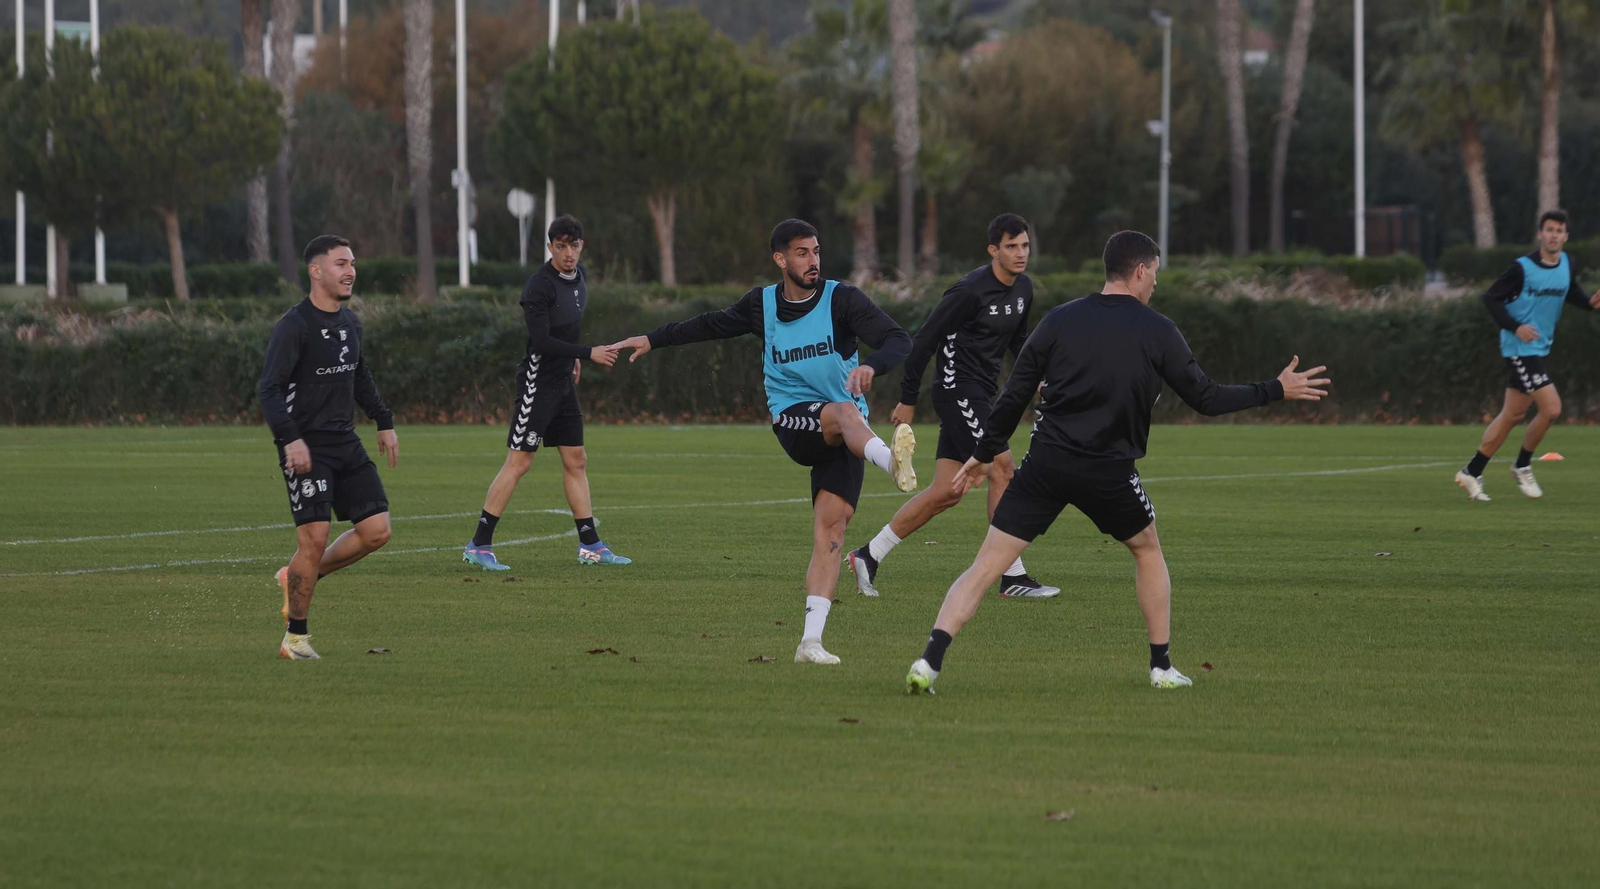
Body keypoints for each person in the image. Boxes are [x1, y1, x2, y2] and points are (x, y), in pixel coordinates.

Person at [903, 230, 1330, 693]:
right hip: (1108, 471)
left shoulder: (1059, 320)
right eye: (1156, 274)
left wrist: (982, 453)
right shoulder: (1159, 330)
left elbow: (1012, 398)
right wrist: (1274, 389)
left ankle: (929, 662)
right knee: (1147, 549)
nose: (1155, 286)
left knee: (986, 565)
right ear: (1141, 271)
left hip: (1045, 465)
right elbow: (1205, 398)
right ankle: (1162, 667)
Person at [610, 219, 915, 665]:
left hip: (849, 436)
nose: (813, 261)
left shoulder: (842, 300)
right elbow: (711, 325)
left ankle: (810, 642)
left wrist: (873, 365)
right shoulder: (762, 305)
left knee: (832, 532)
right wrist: (654, 339)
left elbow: (898, 339)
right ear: (780, 259)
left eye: (816, 252)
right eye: (801, 253)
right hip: (795, 422)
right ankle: (892, 463)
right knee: (845, 412)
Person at [846, 213, 1059, 599]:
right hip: (955, 389)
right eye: (1011, 246)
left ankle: (868, 554)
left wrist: (1040, 377)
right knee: (1002, 467)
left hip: (981, 394)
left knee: (947, 491)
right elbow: (922, 342)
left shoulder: (1023, 289)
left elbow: (1019, 343)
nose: (1020, 253)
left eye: (1025, 245)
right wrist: (908, 400)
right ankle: (1011, 575)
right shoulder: (969, 292)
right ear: (993, 250)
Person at [461, 215, 630, 569]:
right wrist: (588, 353)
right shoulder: (539, 286)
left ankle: (590, 545)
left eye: (575, 246)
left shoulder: (579, 277)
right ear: (550, 247)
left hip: (563, 383)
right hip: (538, 385)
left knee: (576, 459)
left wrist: (574, 359)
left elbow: (565, 330)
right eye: (561, 246)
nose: (569, 254)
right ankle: (479, 544)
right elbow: (540, 340)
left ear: (582, 246)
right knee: (520, 462)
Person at [259, 235, 399, 660]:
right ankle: (295, 639)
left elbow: (360, 376)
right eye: (340, 263)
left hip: (345, 442)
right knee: (314, 540)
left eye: (352, 262)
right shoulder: (294, 325)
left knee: (377, 531)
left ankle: (298, 577)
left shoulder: (350, 323)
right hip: (307, 447)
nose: (350, 270)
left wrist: (384, 421)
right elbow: (269, 389)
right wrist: (290, 438)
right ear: (316, 271)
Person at [1454, 209, 1600, 501]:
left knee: (1513, 414)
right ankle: (1522, 466)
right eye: (1549, 229)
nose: (1554, 235)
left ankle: (1471, 472)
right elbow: (1490, 298)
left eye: (1559, 230)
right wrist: (1516, 326)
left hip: (1538, 347)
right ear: (1540, 234)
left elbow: (1568, 291)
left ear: (1566, 237)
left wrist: (1589, 303)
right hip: (1519, 348)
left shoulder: (1567, 263)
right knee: (1552, 409)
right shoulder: (1521, 268)